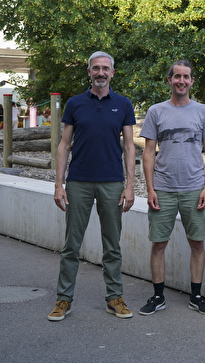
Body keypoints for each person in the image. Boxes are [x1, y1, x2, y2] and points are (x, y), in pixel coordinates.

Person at [48, 51, 136, 321]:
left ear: (112, 72)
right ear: (89, 72)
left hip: (112, 182)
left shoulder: (123, 104)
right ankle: (63, 299)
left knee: (112, 246)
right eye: (96, 68)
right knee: (71, 245)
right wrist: (58, 184)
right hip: (79, 183)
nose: (100, 73)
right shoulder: (75, 104)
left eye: (105, 69)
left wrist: (130, 186)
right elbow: (64, 145)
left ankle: (114, 298)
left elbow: (130, 147)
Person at [138, 60, 205, 316]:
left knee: (197, 244)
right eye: (177, 77)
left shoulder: (204, 112)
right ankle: (158, 296)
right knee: (159, 243)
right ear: (169, 80)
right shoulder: (156, 111)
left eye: (186, 77)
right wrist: (149, 189)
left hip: (195, 188)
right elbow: (148, 153)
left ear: (192, 81)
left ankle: (196, 295)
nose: (181, 81)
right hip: (162, 188)